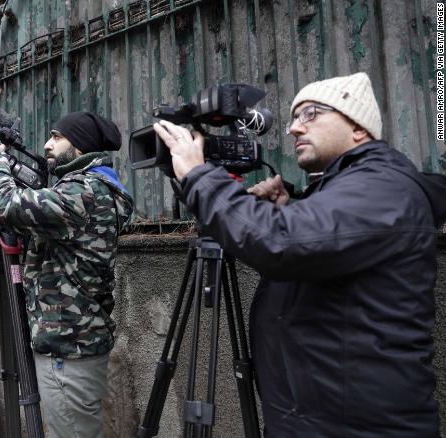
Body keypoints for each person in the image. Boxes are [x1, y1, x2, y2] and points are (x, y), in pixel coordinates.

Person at [155, 72, 445, 436]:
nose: (293, 128)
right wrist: (290, 208)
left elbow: (277, 243)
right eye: (293, 117)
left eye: (311, 114)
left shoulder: (382, 189)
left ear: (358, 128)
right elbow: (316, 252)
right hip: (321, 418)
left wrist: (198, 175)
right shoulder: (351, 190)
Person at [0, 112, 134, 437]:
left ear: (80, 146)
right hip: (76, 344)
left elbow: (1, 205)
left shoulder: (84, 192)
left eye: (56, 136)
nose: (47, 144)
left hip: (68, 348)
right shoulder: (93, 189)